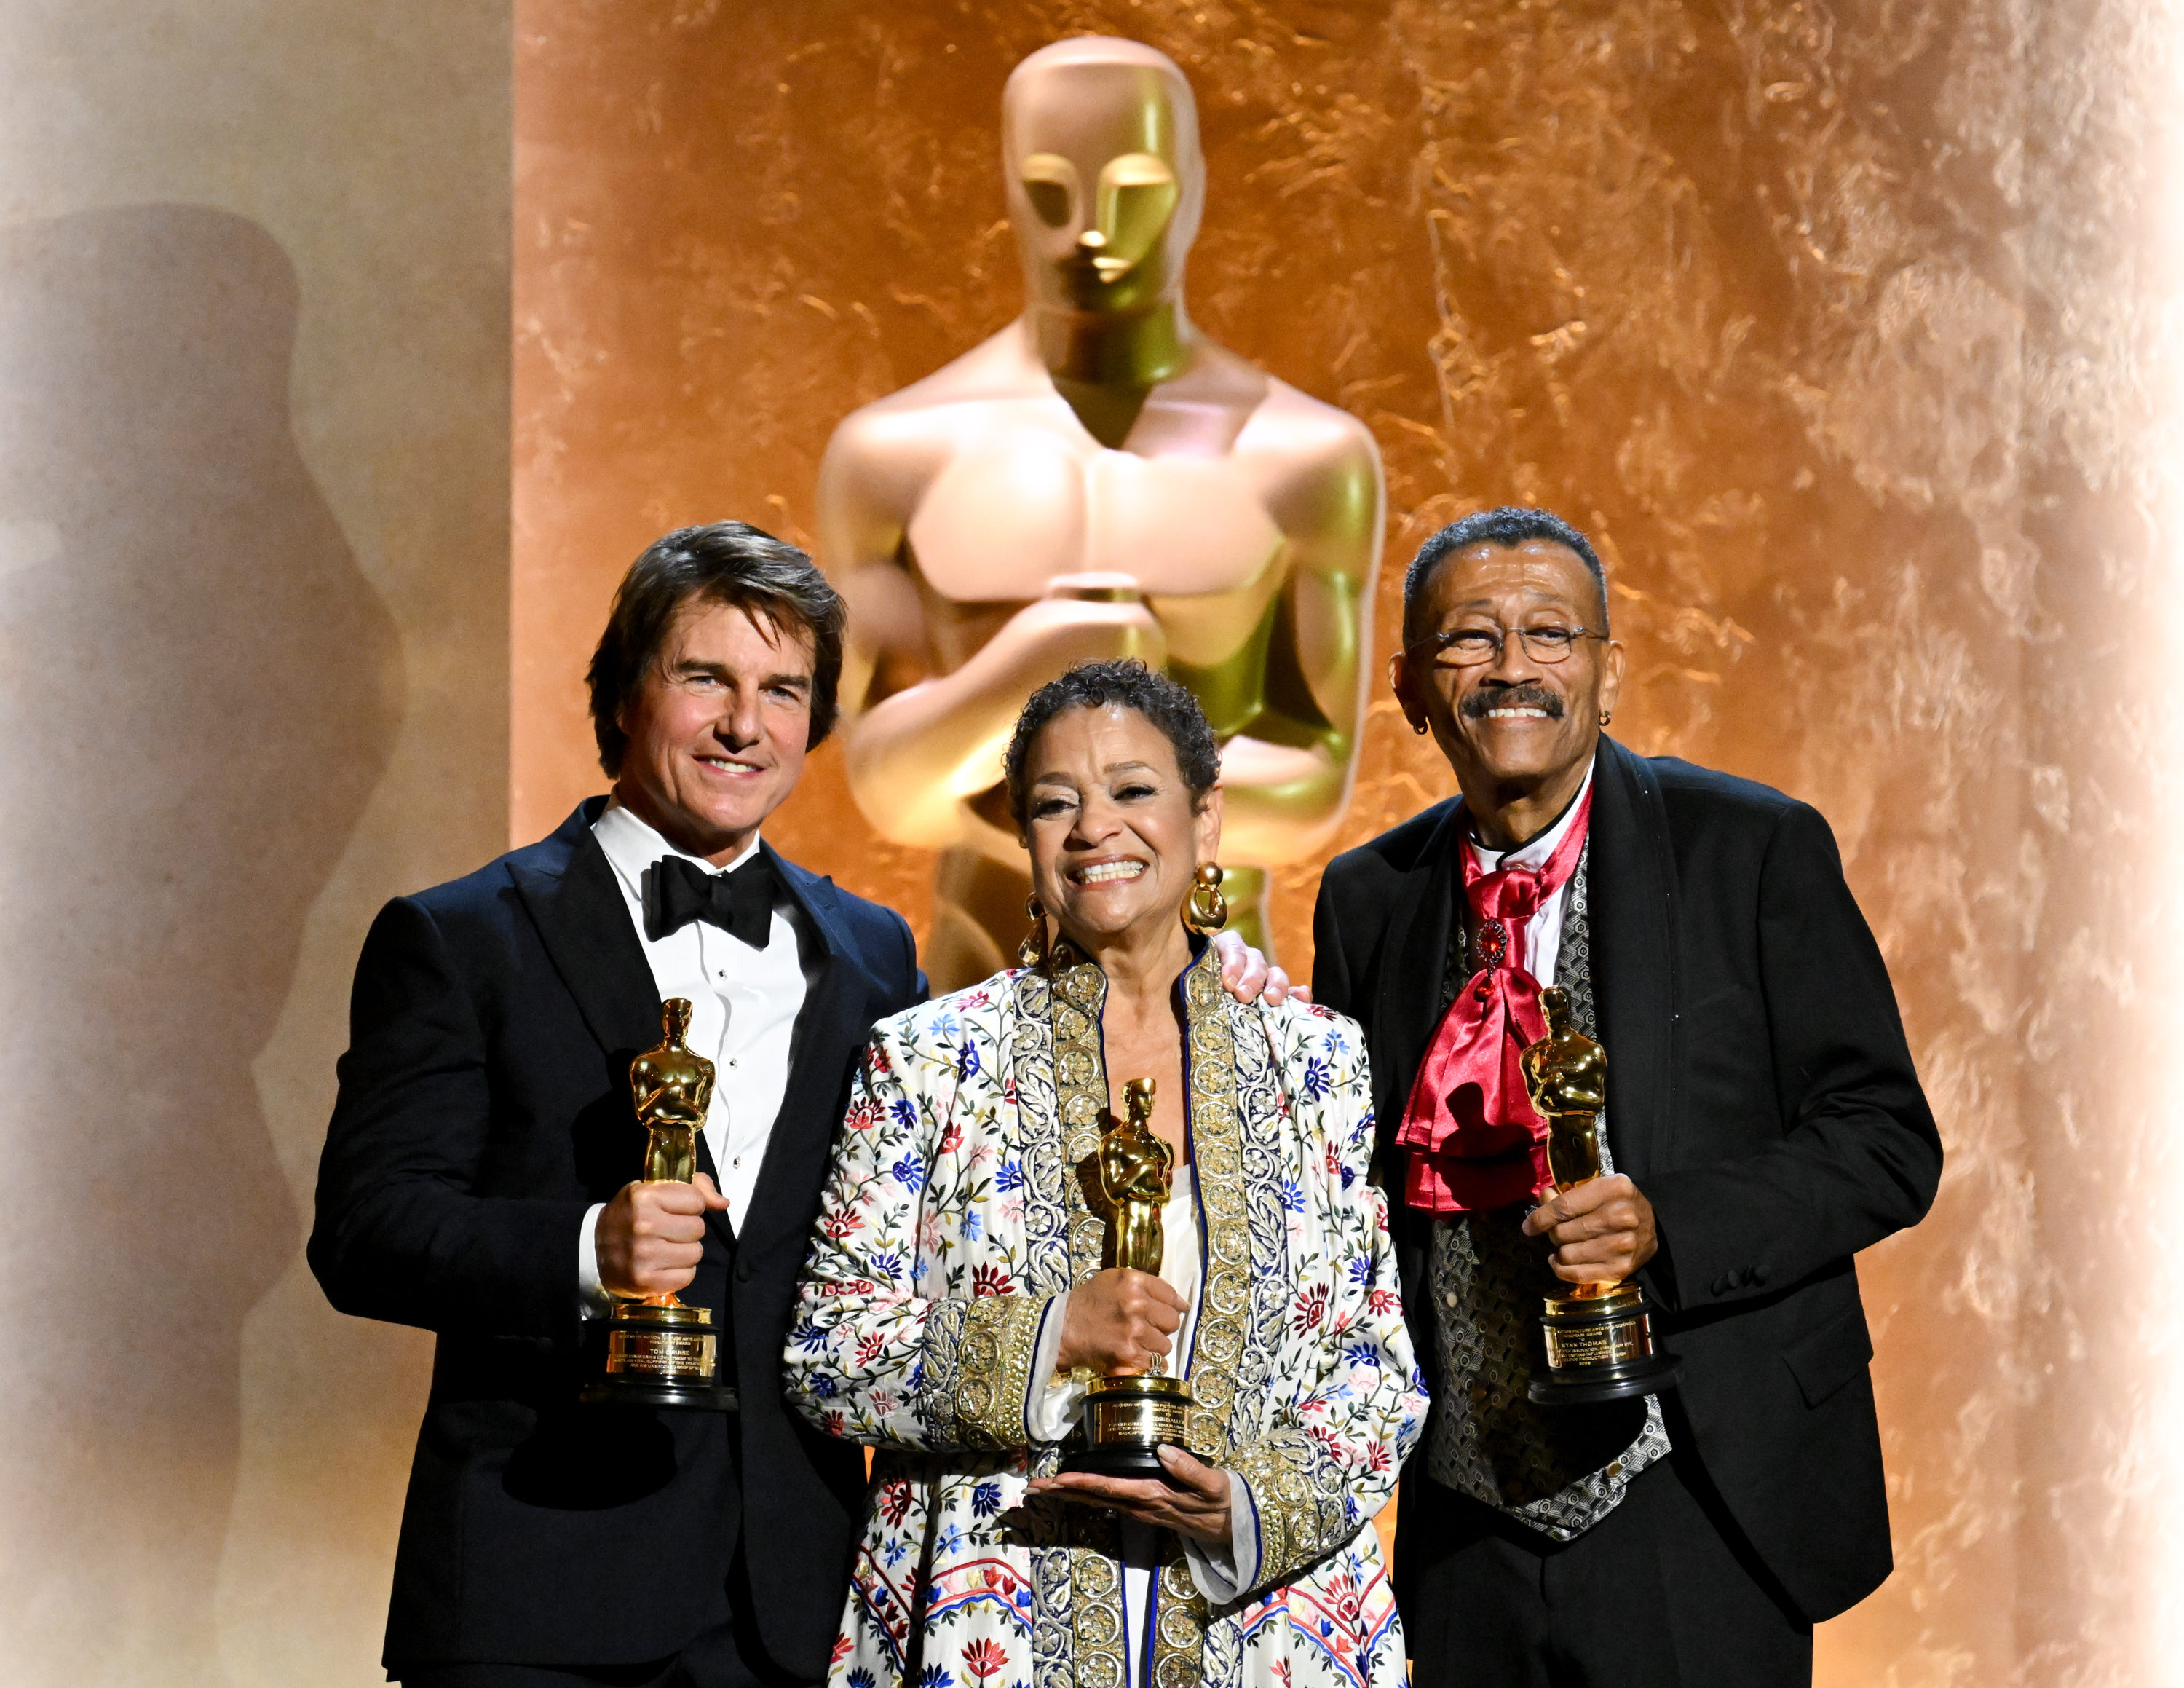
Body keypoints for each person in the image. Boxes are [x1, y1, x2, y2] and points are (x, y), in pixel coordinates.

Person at [310, 524, 1292, 1688]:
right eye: (705, 679)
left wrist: (1210, 988)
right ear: (625, 693)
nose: (746, 724)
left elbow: (962, 1192)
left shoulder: (872, 952)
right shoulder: (461, 935)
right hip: (540, 1582)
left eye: (783, 689)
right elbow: (364, 1231)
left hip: (797, 1601)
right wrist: (584, 1248)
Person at [1310, 508, 1943, 1687]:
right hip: (1461, 1516)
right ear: (1407, 686)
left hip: (1701, 1492)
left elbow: (1887, 1140)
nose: (1513, 667)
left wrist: (1672, 1222)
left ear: (1610, 672)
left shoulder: (1752, 848)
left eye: (1552, 632)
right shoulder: (1366, 897)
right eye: (1470, 639)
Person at [783, 660, 1425, 1688]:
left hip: (1269, 1625)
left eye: (1132, 790)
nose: (1093, 828)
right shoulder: (926, 1058)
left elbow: (1378, 1372)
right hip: (988, 1615)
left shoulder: (1317, 1061)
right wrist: (1048, 1338)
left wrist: (1250, 1506)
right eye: (1053, 802)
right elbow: (828, 1352)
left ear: (1205, 819)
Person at [816, 35, 1382, 985]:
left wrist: (1083, 791)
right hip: (982, 985)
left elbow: (1315, 780)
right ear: (1003, 186)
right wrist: (1025, 671)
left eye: (1134, 190)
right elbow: (887, 786)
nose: (1090, 232)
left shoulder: (1308, 459)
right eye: (1048, 192)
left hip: (1212, 994)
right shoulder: (894, 455)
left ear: (1196, 186)